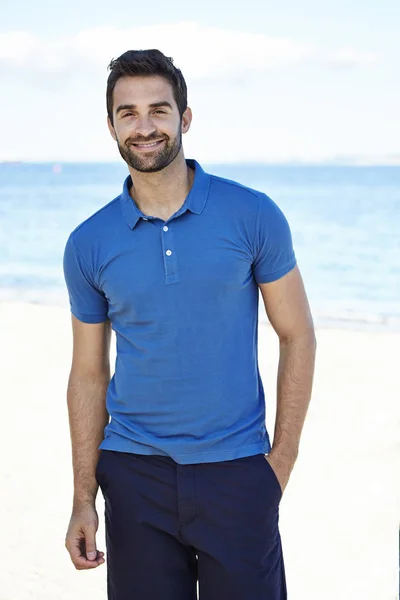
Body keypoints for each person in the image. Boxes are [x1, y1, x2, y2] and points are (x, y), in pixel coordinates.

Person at [63, 48, 316, 600]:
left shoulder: (252, 214)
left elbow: (297, 334)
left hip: (238, 472)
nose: (145, 126)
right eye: (128, 113)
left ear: (185, 117)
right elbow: (87, 372)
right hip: (133, 475)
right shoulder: (88, 242)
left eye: (159, 109)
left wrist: (280, 462)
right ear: (111, 125)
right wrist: (85, 496)